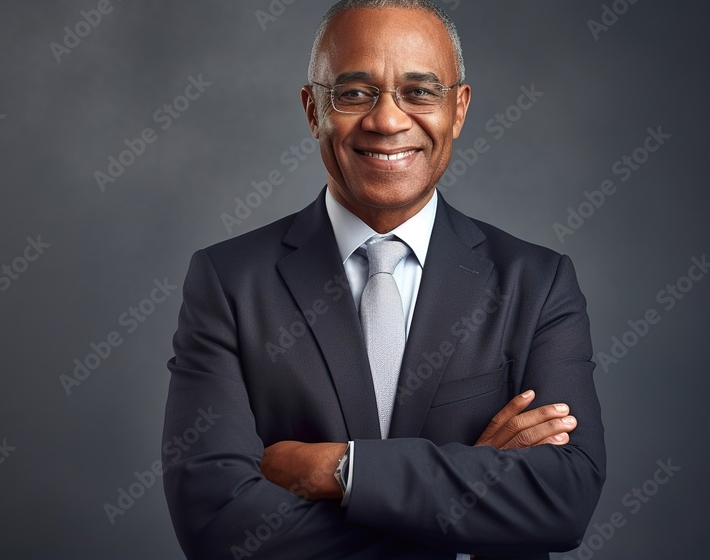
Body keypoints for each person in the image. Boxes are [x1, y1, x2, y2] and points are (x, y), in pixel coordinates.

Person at [162, 1, 605, 558]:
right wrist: (468, 495)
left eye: (420, 92)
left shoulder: (537, 284)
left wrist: (340, 469)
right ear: (312, 109)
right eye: (353, 94)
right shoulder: (228, 281)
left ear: (459, 109)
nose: (388, 120)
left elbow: (562, 501)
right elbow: (218, 522)